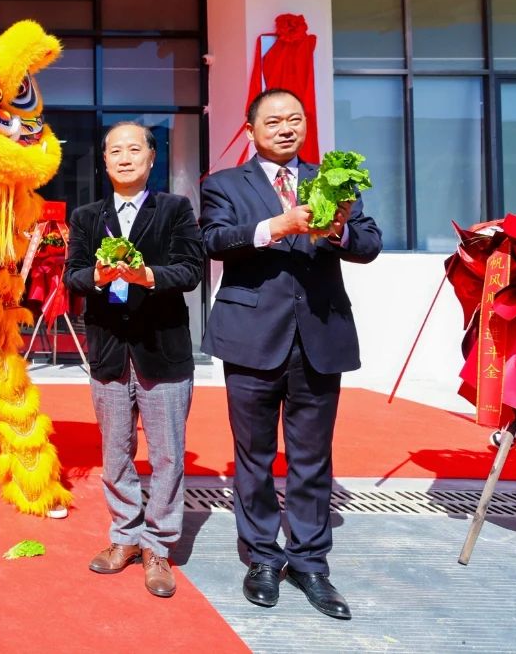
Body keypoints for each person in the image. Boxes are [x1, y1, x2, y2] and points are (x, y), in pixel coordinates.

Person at [200, 88, 381, 620]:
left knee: (311, 457)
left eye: (295, 119)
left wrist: (339, 229)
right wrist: (276, 226)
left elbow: (369, 242)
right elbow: (212, 240)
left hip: (320, 335)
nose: (286, 128)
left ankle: (309, 563)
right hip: (251, 337)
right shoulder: (223, 184)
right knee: (253, 456)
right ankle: (261, 556)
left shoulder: (335, 179)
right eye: (274, 121)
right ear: (251, 129)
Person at [64, 122, 203, 598]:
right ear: (104, 161)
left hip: (162, 350)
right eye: (115, 151)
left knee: (167, 455)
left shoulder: (175, 209)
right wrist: (98, 277)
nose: (125, 158)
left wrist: (148, 276)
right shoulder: (86, 216)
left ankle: (158, 546)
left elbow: (191, 269)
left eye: (134, 149)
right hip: (109, 352)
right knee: (115, 453)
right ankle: (124, 536)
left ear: (151, 157)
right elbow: (72, 275)